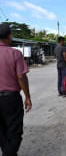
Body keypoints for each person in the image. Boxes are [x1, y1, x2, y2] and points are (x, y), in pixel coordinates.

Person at [0, 24, 32, 156]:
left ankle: (8, 153)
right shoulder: (15, 53)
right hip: (11, 99)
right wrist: (28, 97)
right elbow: (21, 77)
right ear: (9, 35)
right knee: (14, 131)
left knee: (1, 130)